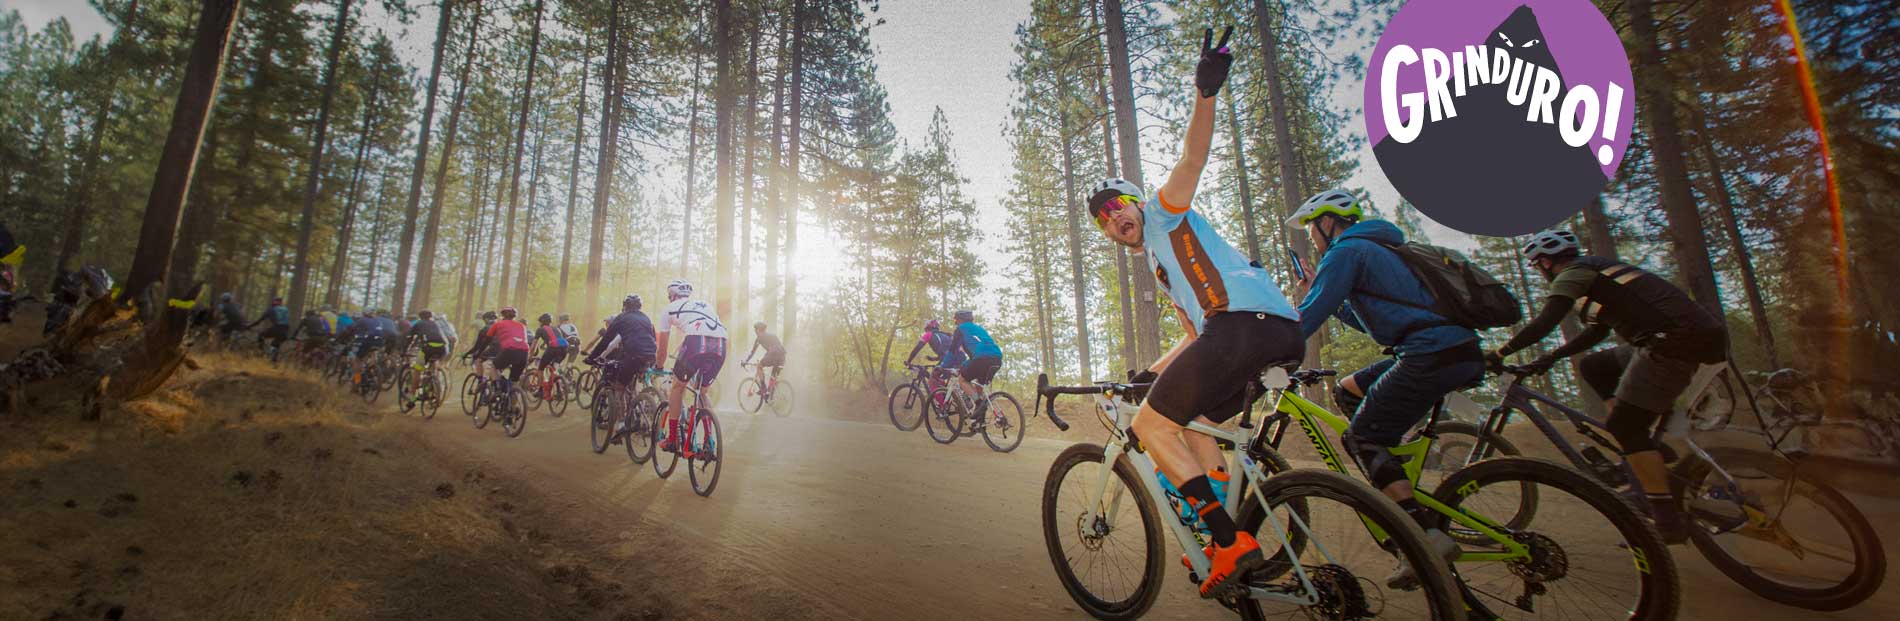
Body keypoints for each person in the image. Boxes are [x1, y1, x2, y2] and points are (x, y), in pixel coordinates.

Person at [1082, 26, 1305, 599]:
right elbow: (1194, 340)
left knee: (1149, 426)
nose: (1113, 220)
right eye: (1103, 220)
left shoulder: (1162, 216)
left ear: (1136, 202)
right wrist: (1149, 373)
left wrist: (1205, 93)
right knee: (1194, 421)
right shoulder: (1166, 266)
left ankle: (1228, 542)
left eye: (1116, 207)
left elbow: (1191, 158)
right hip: (1273, 331)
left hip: (1242, 326)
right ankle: (1225, 519)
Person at [1286, 188, 1477, 584]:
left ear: (1326, 222)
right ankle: (1392, 470)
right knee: (1347, 389)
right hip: (1455, 347)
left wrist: (1267, 347)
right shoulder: (1381, 247)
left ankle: (1420, 540)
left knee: (1361, 438)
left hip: (1427, 352)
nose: (1312, 237)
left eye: (1311, 228)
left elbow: (1307, 319)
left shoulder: (1346, 251)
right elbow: (1367, 321)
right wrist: (1318, 293)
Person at [1490, 230, 1729, 543]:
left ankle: (1664, 516)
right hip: (1677, 338)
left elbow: (1547, 320)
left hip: (1673, 343)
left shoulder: (1574, 273)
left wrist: (1499, 353)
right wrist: (1551, 357)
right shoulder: (1596, 274)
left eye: (1537, 266)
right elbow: (1596, 332)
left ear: (1547, 261)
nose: (1539, 272)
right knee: (1595, 366)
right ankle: (1649, 448)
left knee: (1624, 425)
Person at [653, 280, 727, 450]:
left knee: (677, 387)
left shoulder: (668, 309)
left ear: (671, 296)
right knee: (702, 391)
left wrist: (659, 366)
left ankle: (672, 439)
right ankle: (709, 440)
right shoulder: (703, 305)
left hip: (695, 342)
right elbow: (701, 330)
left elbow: (662, 349)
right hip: (721, 343)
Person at [587, 295, 659, 390]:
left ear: (625, 306)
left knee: (619, 385)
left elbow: (606, 340)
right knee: (633, 374)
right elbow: (653, 338)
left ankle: (620, 402)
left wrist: (592, 357)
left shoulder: (622, 317)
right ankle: (641, 399)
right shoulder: (646, 318)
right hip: (651, 355)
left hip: (633, 354)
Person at [946, 310, 1003, 418]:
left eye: (956, 320)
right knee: (979, 384)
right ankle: (980, 416)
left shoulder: (960, 329)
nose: (955, 323)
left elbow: (952, 351)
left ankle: (978, 404)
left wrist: (943, 365)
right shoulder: (979, 328)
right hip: (997, 358)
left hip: (981, 359)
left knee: (962, 380)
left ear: (960, 320)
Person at [401, 309, 452, 411]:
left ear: (420, 317)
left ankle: (412, 398)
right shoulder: (436, 324)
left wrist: (404, 350)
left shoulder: (419, 323)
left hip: (427, 348)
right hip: (443, 348)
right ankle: (434, 385)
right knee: (433, 366)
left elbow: (409, 338)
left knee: (417, 370)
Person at [478, 307, 532, 394]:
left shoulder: (498, 324)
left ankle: (497, 389)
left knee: (493, 367)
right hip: (524, 353)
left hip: (509, 351)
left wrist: (480, 353)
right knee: (514, 382)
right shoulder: (522, 326)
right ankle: (515, 406)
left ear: (503, 315)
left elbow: (487, 340)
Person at [903, 318, 961, 391]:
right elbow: (948, 351)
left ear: (928, 328)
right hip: (960, 359)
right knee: (942, 381)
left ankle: (942, 402)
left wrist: (909, 361)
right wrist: (934, 359)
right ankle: (949, 396)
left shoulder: (928, 334)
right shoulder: (946, 335)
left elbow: (917, 348)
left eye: (926, 329)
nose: (925, 331)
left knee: (932, 381)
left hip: (948, 360)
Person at [741, 322, 787, 389]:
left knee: (759, 366)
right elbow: (780, 348)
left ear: (758, 330)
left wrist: (746, 361)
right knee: (773, 379)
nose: (755, 332)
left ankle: (763, 388)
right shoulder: (772, 335)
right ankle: (770, 394)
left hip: (773, 354)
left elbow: (752, 352)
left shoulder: (759, 338)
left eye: (755, 330)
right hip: (782, 357)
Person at [246, 297, 293, 361]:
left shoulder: (271, 310)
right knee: (275, 344)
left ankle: (261, 352)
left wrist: (249, 326)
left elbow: (259, 321)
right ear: (281, 303)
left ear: (274, 302)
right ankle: (273, 361)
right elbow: (287, 322)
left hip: (277, 328)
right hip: (285, 331)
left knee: (261, 335)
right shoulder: (285, 309)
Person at [462, 310, 500, 376]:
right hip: (506, 351)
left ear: (486, 319)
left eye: (484, 320)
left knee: (478, 360)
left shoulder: (485, 329)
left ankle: (480, 380)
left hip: (494, 349)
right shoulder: (502, 326)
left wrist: (466, 354)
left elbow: (476, 347)